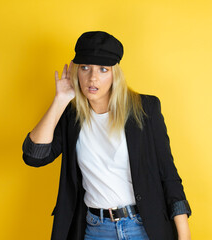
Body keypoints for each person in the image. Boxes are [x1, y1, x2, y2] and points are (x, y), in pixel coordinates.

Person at [22, 31, 192, 240]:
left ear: (115, 74)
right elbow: (34, 157)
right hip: (96, 229)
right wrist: (60, 100)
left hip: (142, 227)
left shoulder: (145, 109)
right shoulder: (70, 116)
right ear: (76, 71)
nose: (92, 78)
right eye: (85, 68)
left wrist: (184, 235)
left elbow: (169, 174)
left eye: (103, 69)